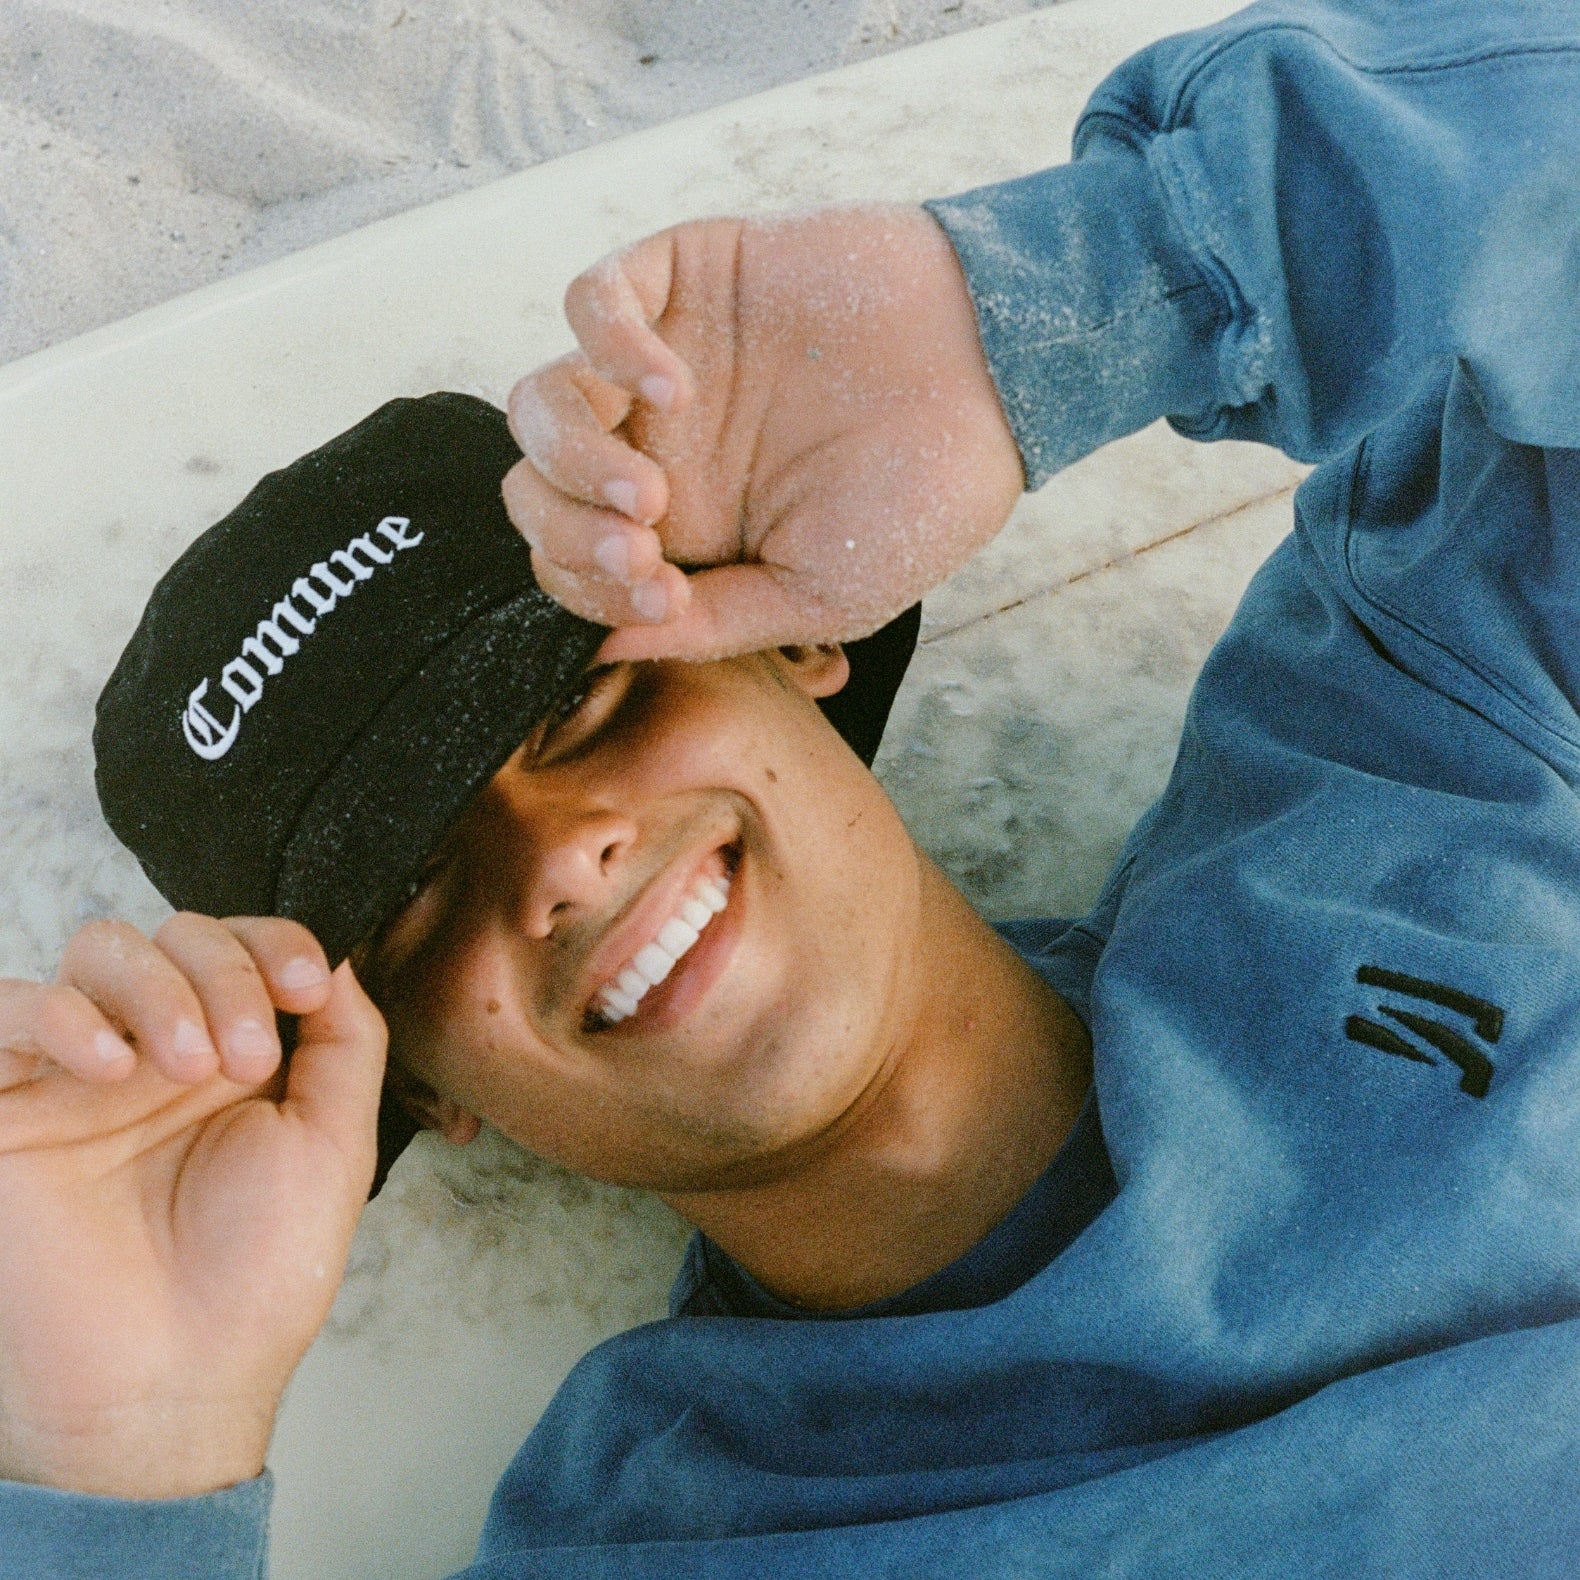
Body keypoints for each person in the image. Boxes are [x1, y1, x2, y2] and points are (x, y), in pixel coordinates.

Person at [3, 0, 1580, 1573]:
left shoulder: (1426, 735)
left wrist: (1087, 290)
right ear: (427, 1089)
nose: (551, 861)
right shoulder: (656, 1546)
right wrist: (117, 1469)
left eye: (580, 710)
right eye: (417, 901)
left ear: (801, 641)